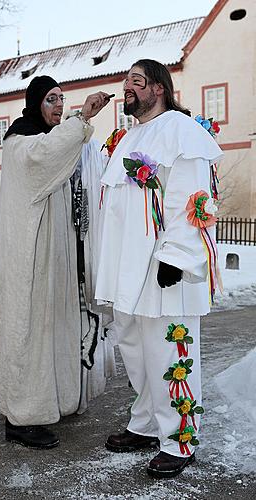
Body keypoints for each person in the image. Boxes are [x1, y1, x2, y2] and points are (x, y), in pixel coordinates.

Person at [95, 59, 223, 478]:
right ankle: (149, 423)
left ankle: (180, 439)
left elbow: (191, 196)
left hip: (165, 267)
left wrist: (178, 256)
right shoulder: (129, 136)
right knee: (135, 348)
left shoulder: (181, 131)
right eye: (126, 80)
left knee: (169, 349)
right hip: (127, 271)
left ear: (159, 89)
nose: (127, 87)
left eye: (136, 80)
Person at [0, 75, 111, 449]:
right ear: (35, 104)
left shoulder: (48, 138)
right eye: (51, 99)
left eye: (62, 100)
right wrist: (81, 119)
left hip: (52, 256)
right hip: (29, 261)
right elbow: (44, 158)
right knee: (30, 334)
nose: (58, 106)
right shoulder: (21, 142)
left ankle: (50, 400)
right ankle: (22, 417)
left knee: (50, 329)